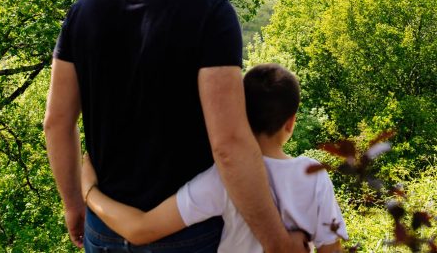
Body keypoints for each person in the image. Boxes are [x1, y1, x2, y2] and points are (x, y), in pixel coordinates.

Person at [44, 0, 307, 253]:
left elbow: (56, 121)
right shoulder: (211, 16)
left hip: (103, 226)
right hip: (186, 233)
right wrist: (276, 243)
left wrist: (73, 203)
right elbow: (230, 144)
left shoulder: (84, 11)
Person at [82, 64, 348, 252]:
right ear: (290, 123)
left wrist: (89, 192)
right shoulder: (314, 174)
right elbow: (331, 249)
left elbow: (140, 230)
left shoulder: (223, 177)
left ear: (240, 113)